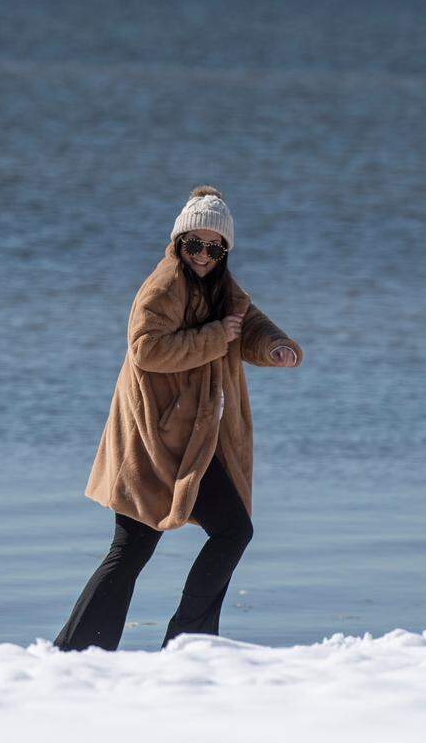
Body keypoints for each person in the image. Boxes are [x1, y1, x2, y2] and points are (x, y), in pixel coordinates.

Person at [53, 184, 304, 652]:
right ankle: (92, 651)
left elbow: (247, 326)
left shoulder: (222, 289)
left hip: (189, 441)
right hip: (151, 441)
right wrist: (214, 337)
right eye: (195, 245)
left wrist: (277, 347)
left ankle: (175, 644)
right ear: (178, 244)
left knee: (225, 533)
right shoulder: (164, 285)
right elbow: (145, 349)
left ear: (224, 250)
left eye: (215, 247)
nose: (204, 255)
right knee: (139, 549)